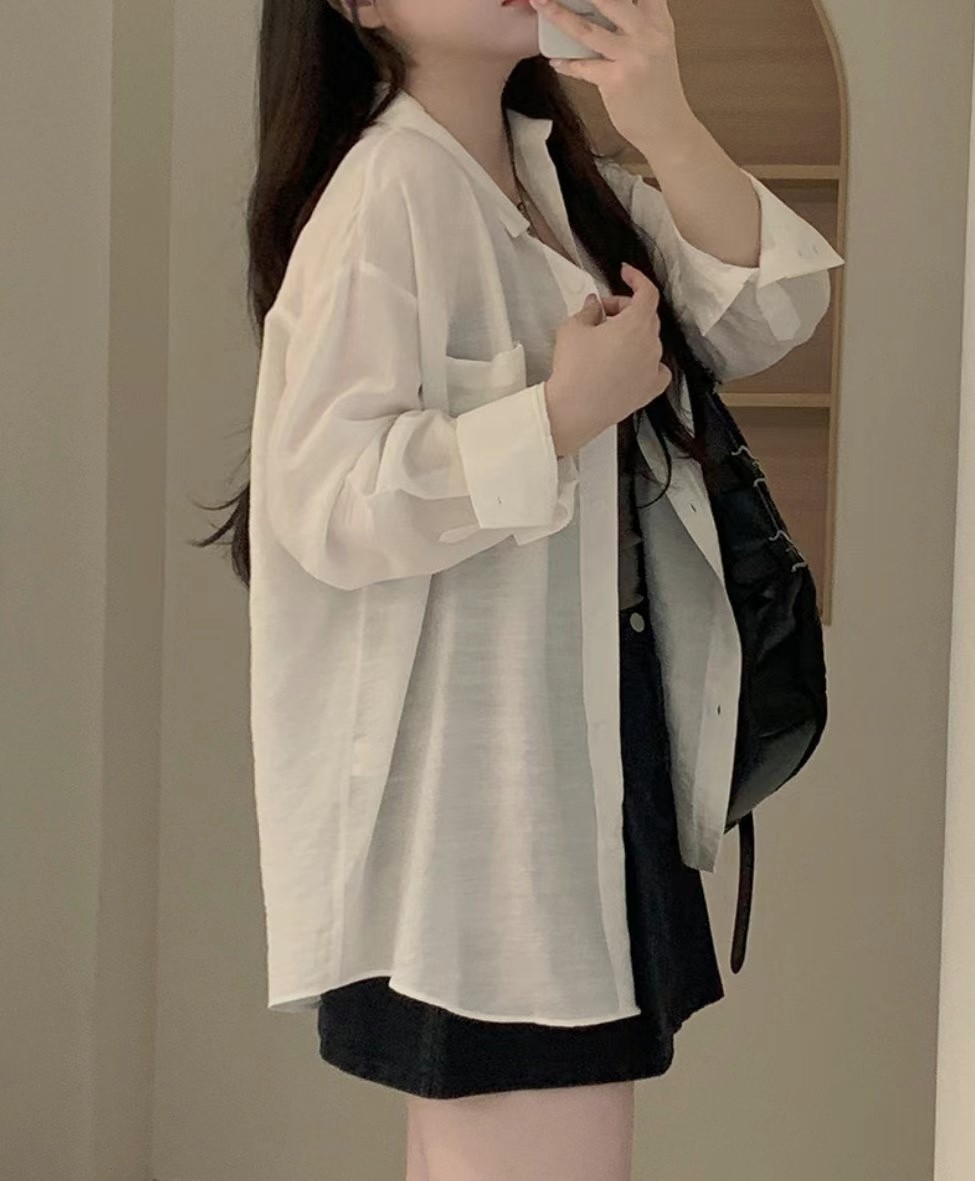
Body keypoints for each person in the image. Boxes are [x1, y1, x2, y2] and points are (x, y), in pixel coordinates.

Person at [195, 1, 845, 1176]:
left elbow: (767, 311)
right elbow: (324, 503)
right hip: (483, 796)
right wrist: (557, 414)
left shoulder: (549, 173)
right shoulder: (389, 189)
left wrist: (664, 118)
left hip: (573, 757)